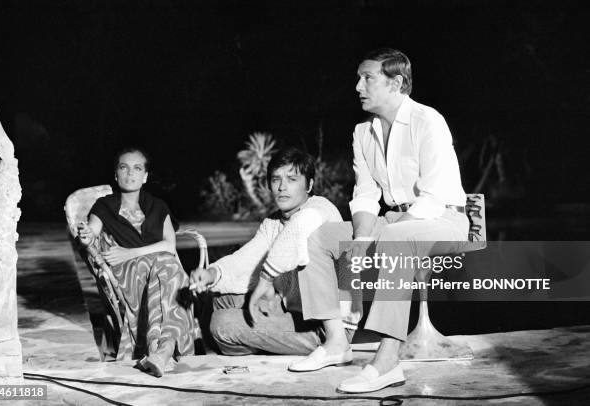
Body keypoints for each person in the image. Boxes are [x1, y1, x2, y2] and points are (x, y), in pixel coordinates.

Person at [249, 48, 469, 393]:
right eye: (358, 78)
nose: (357, 86)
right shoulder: (362, 133)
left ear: (396, 83)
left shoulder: (428, 121)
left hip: (443, 220)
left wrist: (383, 237)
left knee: (398, 239)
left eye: (367, 78)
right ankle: (336, 342)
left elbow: (433, 197)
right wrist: (362, 239)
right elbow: (366, 195)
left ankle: (387, 362)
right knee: (318, 237)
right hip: (396, 219)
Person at [190, 147, 356, 356]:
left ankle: (261, 345)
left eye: (292, 179)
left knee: (222, 324)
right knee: (219, 298)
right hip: (288, 310)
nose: (282, 187)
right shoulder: (273, 222)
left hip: (326, 326)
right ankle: (232, 349)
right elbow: (246, 259)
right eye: (276, 179)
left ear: (309, 185)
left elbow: (300, 228)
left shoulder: (321, 208)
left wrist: (267, 277)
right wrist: (211, 274)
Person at [77, 147, 195, 377]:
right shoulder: (104, 205)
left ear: (145, 176)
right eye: (124, 167)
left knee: (166, 264)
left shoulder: (158, 206)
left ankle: (159, 349)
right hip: (128, 275)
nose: (130, 173)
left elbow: (169, 245)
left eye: (137, 168)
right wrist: (87, 235)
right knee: (171, 269)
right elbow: (91, 231)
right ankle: (164, 348)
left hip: (154, 268)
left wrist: (130, 252)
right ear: (116, 174)